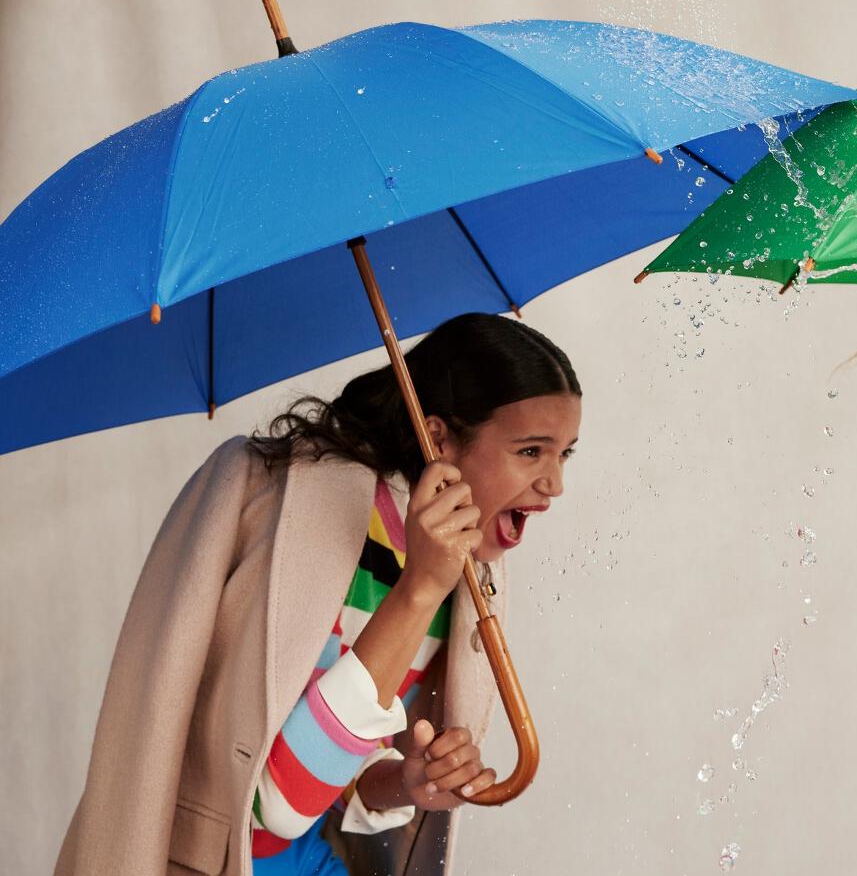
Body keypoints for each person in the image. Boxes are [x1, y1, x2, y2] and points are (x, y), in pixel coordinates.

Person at [56, 313, 582, 876]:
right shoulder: (280, 504)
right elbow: (280, 801)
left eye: (565, 453)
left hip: (307, 858)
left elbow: (336, 777)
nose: (555, 484)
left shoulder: (464, 570)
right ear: (439, 438)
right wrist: (418, 592)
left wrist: (405, 783)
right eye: (531, 451)